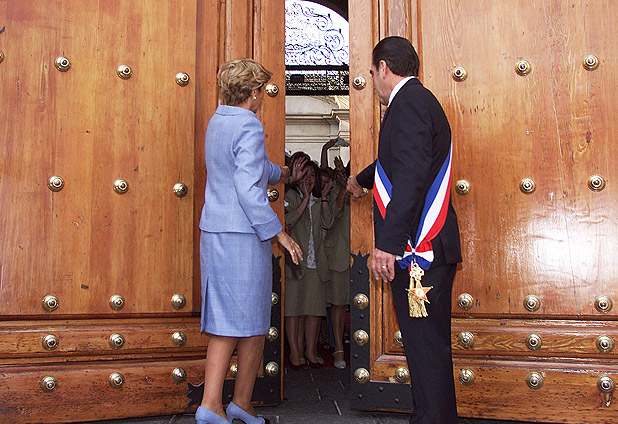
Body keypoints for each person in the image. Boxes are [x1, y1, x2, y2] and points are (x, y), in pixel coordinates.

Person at [347, 36, 462, 424]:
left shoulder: (408, 104)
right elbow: (400, 162)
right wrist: (361, 180)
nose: (373, 81)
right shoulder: (416, 100)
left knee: (425, 348)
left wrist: (388, 244)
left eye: (371, 72)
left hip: (419, 252)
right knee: (426, 347)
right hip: (426, 249)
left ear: (383, 68)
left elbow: (411, 175)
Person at [197, 58, 303, 424]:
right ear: (255, 93)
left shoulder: (219, 120)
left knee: (231, 319)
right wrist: (279, 233)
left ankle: (227, 403)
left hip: (216, 231)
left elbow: (242, 165)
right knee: (248, 320)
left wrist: (280, 173)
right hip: (242, 236)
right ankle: (221, 404)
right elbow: (246, 186)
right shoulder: (249, 124)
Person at [284, 160, 334, 369]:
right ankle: (295, 353)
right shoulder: (290, 196)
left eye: (312, 175)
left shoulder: (319, 200)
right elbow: (287, 222)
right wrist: (304, 200)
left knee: (313, 310)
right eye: (304, 175)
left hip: (316, 262)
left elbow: (328, 223)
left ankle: (311, 351)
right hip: (296, 261)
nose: (309, 179)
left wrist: (323, 197)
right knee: (294, 310)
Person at [323, 156, 350, 369]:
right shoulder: (334, 190)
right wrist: (342, 189)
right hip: (339, 254)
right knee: (339, 304)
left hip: (365, 253)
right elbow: (330, 218)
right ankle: (338, 347)